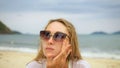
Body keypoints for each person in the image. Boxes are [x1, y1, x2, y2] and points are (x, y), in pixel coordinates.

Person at [26, 18, 90, 68]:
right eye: (46, 34)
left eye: (59, 36)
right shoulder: (33, 66)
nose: (50, 41)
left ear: (70, 45)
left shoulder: (81, 66)